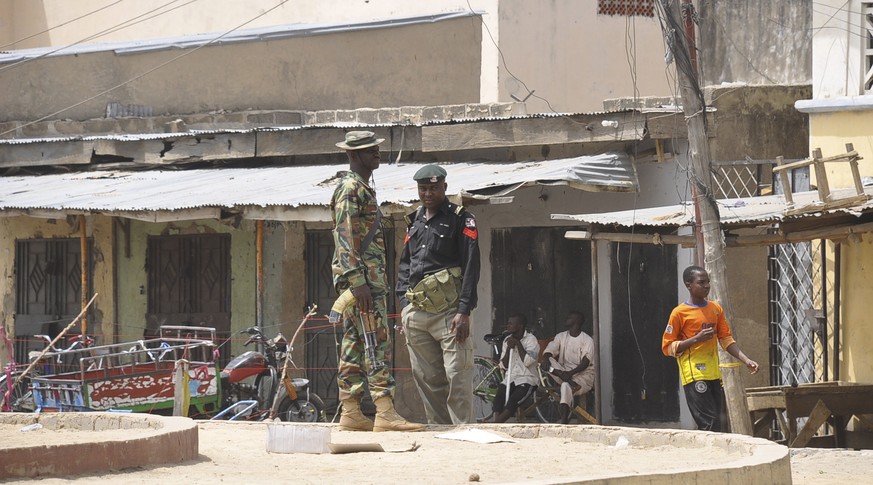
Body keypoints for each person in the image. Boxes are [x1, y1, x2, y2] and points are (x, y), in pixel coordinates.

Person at [330, 130, 423, 432]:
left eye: (376, 149)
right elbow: (345, 238)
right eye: (370, 150)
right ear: (354, 155)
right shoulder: (350, 188)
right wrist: (358, 282)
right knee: (376, 342)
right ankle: (384, 411)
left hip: (366, 282)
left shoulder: (361, 187)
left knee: (355, 345)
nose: (377, 154)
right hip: (363, 284)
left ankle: (351, 411)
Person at [397, 164, 481, 424]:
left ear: (444, 187)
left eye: (433, 188)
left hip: (450, 313)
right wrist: (404, 305)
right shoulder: (414, 221)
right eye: (423, 189)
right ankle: (439, 432)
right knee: (426, 378)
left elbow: (471, 264)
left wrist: (464, 310)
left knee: (457, 375)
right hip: (417, 312)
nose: (428, 193)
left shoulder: (460, 218)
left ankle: (463, 430)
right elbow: (405, 265)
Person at [661, 265, 759, 432]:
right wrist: (696, 339)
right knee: (709, 422)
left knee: (718, 422)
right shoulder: (679, 313)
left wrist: (746, 359)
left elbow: (726, 339)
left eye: (708, 282)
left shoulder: (715, 309)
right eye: (701, 282)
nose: (707, 286)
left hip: (714, 373)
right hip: (694, 374)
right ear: (688, 285)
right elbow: (667, 347)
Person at [541, 311, 596, 424]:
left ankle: (564, 422)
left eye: (570, 317)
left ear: (577, 321)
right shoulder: (561, 336)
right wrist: (546, 357)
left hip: (583, 377)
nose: (566, 318)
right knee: (547, 362)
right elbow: (550, 349)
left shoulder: (587, 340)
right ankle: (570, 382)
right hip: (562, 373)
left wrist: (570, 374)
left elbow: (585, 363)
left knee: (565, 385)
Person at [493, 313, 540, 423]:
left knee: (513, 400)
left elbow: (528, 362)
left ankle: (495, 424)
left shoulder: (531, 340)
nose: (507, 326)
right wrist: (509, 348)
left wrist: (518, 344)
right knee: (499, 397)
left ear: (520, 325)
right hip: (511, 377)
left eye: (510, 324)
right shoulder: (507, 340)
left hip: (528, 378)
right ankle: (496, 422)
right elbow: (503, 365)